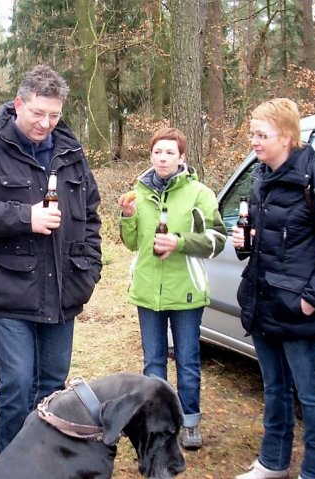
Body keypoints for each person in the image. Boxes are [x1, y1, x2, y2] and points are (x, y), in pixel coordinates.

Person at [0, 64, 102, 456]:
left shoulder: (70, 151)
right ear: (18, 104)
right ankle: (11, 464)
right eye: (38, 113)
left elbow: (90, 212)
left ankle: (45, 462)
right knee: (17, 386)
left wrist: (90, 268)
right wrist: (26, 217)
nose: (45, 123)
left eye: (53, 115)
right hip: (11, 291)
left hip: (64, 288)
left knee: (54, 386)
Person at [233, 98, 315, 479]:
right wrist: (245, 242)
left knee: (314, 396)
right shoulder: (261, 178)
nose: (254, 141)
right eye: (252, 133)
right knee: (274, 389)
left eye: (262, 134)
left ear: (287, 137)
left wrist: (312, 300)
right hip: (263, 301)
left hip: (299, 309)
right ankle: (273, 462)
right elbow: (263, 242)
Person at [118, 127, 227, 450]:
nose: (162, 158)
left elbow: (217, 240)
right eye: (157, 152)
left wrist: (179, 243)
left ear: (181, 158)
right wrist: (127, 217)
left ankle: (190, 422)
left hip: (186, 291)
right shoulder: (138, 192)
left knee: (187, 360)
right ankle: (158, 424)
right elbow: (131, 243)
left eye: (169, 153)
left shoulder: (199, 194)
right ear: (150, 156)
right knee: (153, 362)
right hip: (148, 290)